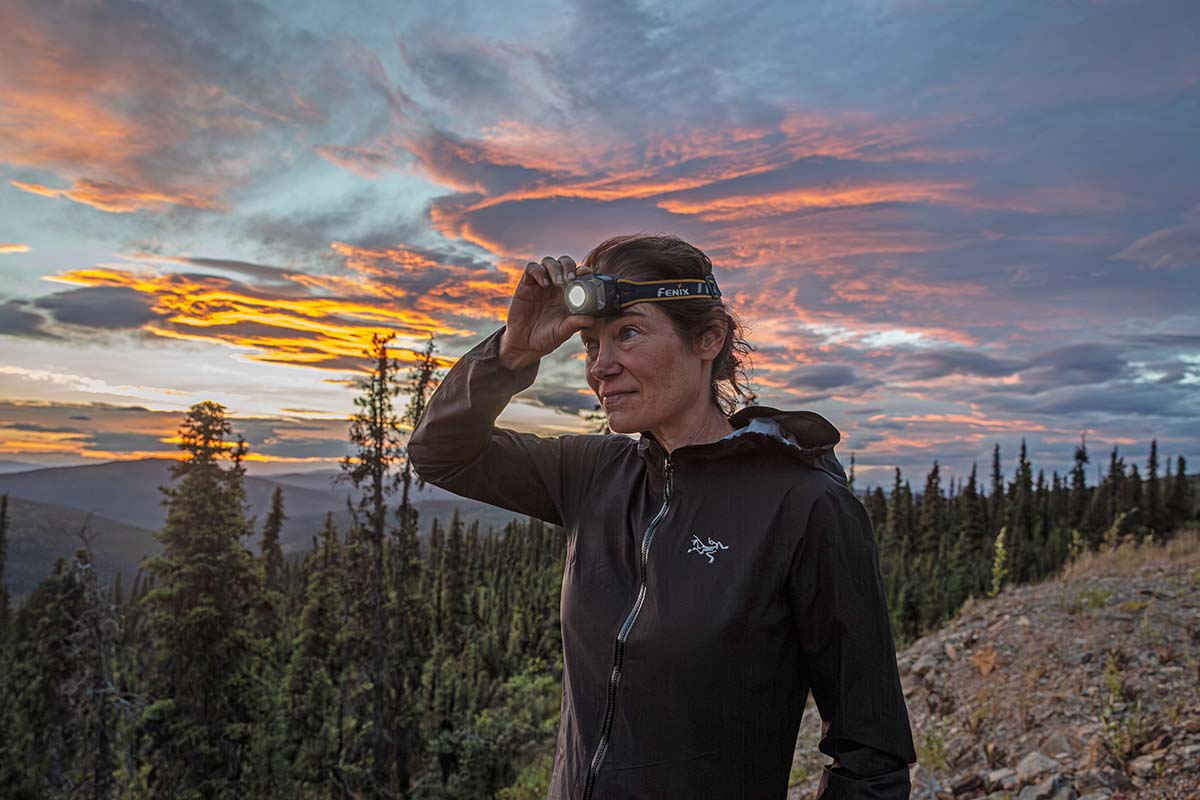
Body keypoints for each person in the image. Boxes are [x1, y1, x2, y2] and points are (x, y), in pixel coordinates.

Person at [407, 234, 917, 799]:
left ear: (708, 338)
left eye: (628, 333)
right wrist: (514, 353)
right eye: (590, 344)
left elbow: (872, 755)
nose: (601, 367)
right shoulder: (593, 474)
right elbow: (442, 453)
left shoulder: (803, 505)